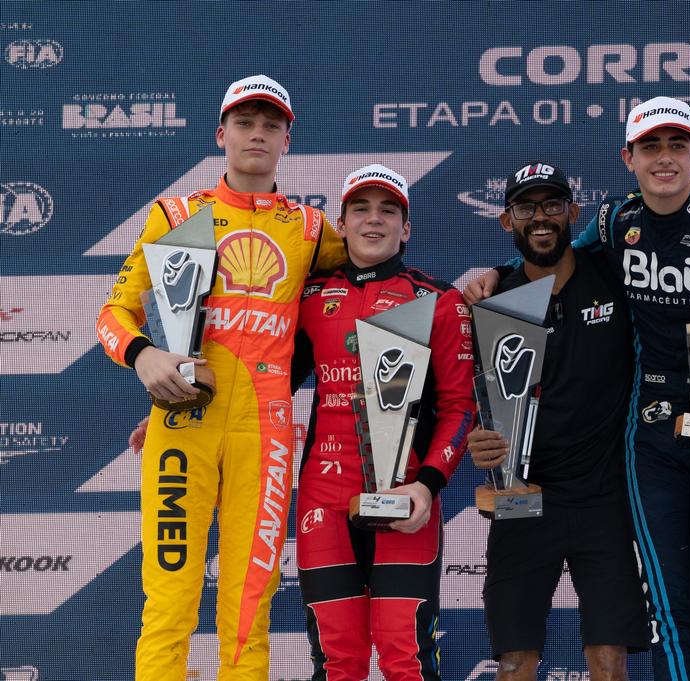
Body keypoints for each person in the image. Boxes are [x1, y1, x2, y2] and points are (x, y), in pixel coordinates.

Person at [467, 98, 690, 681]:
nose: (664, 158)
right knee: (667, 611)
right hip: (648, 434)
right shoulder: (613, 222)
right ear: (628, 158)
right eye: (651, 146)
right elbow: (554, 257)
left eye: (677, 145)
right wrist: (498, 274)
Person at [96, 74, 346, 681]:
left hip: (266, 435)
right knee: (169, 604)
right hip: (183, 426)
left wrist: (488, 281)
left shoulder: (313, 229)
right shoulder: (179, 215)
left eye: (271, 125)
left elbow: (367, 286)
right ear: (221, 134)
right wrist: (145, 357)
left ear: (287, 140)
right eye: (245, 123)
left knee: (248, 609)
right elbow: (113, 314)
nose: (257, 134)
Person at [290, 164, 476, 681]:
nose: (374, 219)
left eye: (388, 210)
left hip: (405, 497)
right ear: (341, 224)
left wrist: (427, 486)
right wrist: (185, 417)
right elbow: (262, 381)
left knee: (406, 657)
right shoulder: (307, 298)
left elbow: (460, 408)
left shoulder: (438, 301)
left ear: (406, 227)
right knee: (336, 661)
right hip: (323, 498)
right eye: (361, 209)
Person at [467, 161, 650, 681]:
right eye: (526, 208)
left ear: (573, 212)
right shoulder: (493, 299)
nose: (540, 218)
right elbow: (468, 401)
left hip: (604, 500)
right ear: (507, 220)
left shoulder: (614, 274)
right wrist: (477, 441)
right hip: (522, 498)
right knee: (514, 662)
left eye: (552, 205)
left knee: (608, 661)